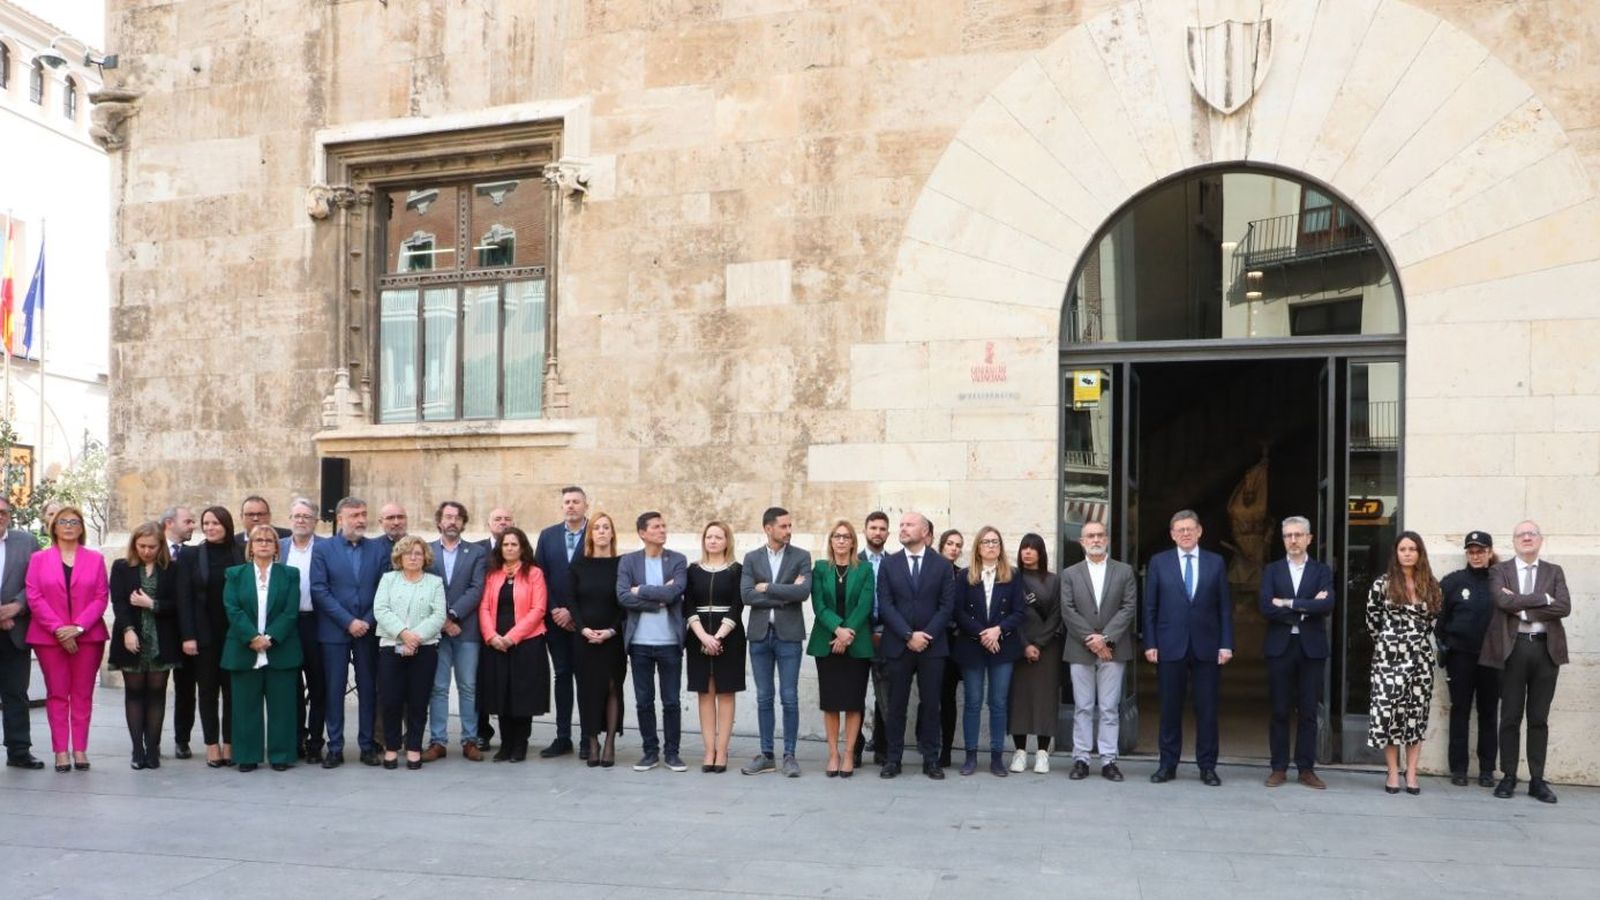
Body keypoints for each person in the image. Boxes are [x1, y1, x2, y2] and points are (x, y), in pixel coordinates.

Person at [1483, 520, 1570, 804]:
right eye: (1522, 534)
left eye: (1532, 534)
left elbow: (1563, 606)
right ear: (1514, 541)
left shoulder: (1554, 571)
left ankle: (1537, 779)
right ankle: (1508, 775)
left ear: (1540, 540)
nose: (1527, 538)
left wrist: (1523, 609)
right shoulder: (1499, 571)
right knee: (1509, 716)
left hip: (1546, 651)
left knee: (1538, 718)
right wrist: (1542, 599)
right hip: (1513, 649)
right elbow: (1501, 601)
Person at [1145, 509, 1233, 786]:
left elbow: (1224, 609)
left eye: (1189, 529)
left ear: (1199, 532)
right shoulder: (1159, 563)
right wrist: (1150, 643)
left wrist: (1226, 644)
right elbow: (1150, 608)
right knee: (1170, 709)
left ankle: (1207, 766)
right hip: (1170, 646)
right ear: (1172, 534)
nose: (1185, 533)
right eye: (1179, 529)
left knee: (1207, 710)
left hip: (1207, 647)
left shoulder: (1216, 562)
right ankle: (1167, 765)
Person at [25, 505, 108, 772]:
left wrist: (79, 628)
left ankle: (80, 749)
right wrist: (60, 629)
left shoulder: (94, 559)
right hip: (49, 638)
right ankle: (61, 751)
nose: (69, 525)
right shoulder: (39, 559)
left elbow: (100, 597)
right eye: (63, 521)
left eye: (74, 521)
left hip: (88, 637)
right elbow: (34, 596)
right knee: (57, 694)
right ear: (54, 527)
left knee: (82, 693)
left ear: (82, 527)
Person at [310, 496, 390, 768]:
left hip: (368, 630)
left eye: (363, 513)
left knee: (369, 688)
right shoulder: (323, 549)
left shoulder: (378, 549)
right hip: (334, 630)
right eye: (354, 515)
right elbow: (319, 589)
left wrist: (365, 620)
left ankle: (367, 745)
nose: (360, 520)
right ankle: (335, 746)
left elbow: (384, 589)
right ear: (340, 519)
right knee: (334, 689)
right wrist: (348, 621)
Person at [876, 511, 957, 780]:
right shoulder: (889, 564)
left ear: (925, 532)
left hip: (932, 648)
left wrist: (926, 635)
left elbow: (947, 607)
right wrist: (909, 635)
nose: (902, 528)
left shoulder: (942, 565)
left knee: (931, 704)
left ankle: (931, 760)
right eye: (901, 525)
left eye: (909, 525)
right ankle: (893, 759)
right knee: (896, 705)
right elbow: (885, 605)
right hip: (899, 645)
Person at [1258, 516, 1335, 789]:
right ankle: (1278, 767)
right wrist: (1306, 607)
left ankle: (1306, 768)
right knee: (1279, 710)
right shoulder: (1272, 570)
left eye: (1298, 535)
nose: (1293, 540)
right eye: (1289, 535)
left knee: (1308, 712)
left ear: (1309, 539)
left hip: (1311, 650)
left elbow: (1327, 606)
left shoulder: (1321, 571)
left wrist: (1288, 603)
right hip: (1280, 648)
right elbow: (1266, 606)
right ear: (1283, 540)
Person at [222, 525, 304, 772]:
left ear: (277, 547)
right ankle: (247, 755)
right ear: (250, 546)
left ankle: (281, 755)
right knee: (245, 706)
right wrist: (252, 637)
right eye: (259, 539)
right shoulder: (235, 574)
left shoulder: (290, 574)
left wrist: (270, 637)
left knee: (283, 706)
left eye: (269, 540)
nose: (264, 543)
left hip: (280, 648)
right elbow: (232, 608)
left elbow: (290, 611)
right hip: (243, 649)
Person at [1059, 521, 1136, 782]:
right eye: (1090, 536)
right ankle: (1081, 758)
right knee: (1082, 706)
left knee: (1109, 708)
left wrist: (1105, 639)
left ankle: (1108, 760)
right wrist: (1092, 640)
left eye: (1100, 535)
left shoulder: (1124, 572)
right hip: (1080, 649)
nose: (1095, 539)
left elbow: (1128, 607)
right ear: (1081, 541)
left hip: (1113, 650)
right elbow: (1068, 610)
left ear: (1107, 539)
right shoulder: (1070, 573)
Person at [740, 507, 812, 778]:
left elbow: (803, 592)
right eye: (784, 526)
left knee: (789, 697)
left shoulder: (801, 556)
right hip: (760, 635)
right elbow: (747, 595)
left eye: (790, 526)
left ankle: (790, 755)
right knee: (763, 697)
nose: (788, 531)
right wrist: (786, 593)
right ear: (768, 528)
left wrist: (768, 587)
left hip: (789, 636)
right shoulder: (751, 558)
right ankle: (767, 755)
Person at [1367, 531, 1440, 795]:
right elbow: (1372, 621)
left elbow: (1432, 621)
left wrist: (1413, 643)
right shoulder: (1382, 585)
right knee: (1390, 716)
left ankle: (1411, 772)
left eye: (1412, 549)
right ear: (1396, 554)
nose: (1407, 553)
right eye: (1402, 549)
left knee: (1415, 717)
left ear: (1420, 553)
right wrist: (1392, 643)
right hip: (1388, 660)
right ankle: (1392, 772)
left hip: (1420, 660)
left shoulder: (1431, 585)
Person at [616, 511, 688, 773]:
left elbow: (675, 591)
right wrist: (658, 598)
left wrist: (642, 590)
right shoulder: (628, 561)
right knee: (644, 701)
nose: (662, 530)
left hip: (670, 642)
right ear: (643, 533)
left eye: (663, 525)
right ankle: (649, 752)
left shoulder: (678, 560)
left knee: (671, 701)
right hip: (640, 643)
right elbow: (623, 596)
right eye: (656, 527)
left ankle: (672, 753)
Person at [952, 527, 1025, 777]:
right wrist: (983, 634)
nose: (991, 546)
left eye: (995, 541)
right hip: (972, 646)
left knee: (998, 703)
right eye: (986, 542)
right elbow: (958, 612)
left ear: (1001, 547)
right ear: (978, 547)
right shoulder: (964, 576)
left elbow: (1019, 612)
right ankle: (970, 756)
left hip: (1002, 647)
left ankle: (996, 758)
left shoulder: (1013, 575)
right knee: (972, 702)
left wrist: (998, 631)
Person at [109, 523, 181, 770]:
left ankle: (153, 749)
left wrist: (152, 604)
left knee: (157, 694)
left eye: (152, 546)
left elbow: (178, 604)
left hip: (162, 639)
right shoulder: (121, 567)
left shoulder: (172, 569)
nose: (147, 551)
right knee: (135, 694)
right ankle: (137, 750)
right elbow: (118, 602)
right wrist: (128, 631)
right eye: (142, 546)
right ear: (134, 545)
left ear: (160, 546)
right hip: (131, 638)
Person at [178, 506, 245, 768]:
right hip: (203, 635)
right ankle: (211, 745)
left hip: (234, 634)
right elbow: (184, 598)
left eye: (215, 523)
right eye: (206, 523)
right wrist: (188, 636)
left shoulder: (240, 553)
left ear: (226, 525)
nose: (210, 528)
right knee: (207, 691)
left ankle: (229, 743)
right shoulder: (191, 554)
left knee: (232, 691)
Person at [477, 527, 550, 762]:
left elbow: (538, 609)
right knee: (501, 694)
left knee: (522, 694)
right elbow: (484, 607)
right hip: (496, 643)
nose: (509, 548)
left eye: (514, 544)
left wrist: (512, 637)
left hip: (526, 642)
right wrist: (491, 636)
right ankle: (505, 744)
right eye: (505, 544)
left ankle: (520, 744)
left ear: (522, 548)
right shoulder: (492, 574)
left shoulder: (534, 573)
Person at [374, 535, 447, 770]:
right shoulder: (388, 579)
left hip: (424, 649)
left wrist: (415, 638)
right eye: (408, 553)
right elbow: (381, 609)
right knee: (391, 699)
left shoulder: (434, 582)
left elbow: (438, 615)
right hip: (390, 647)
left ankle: (414, 747)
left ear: (425, 557)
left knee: (418, 700)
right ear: (399, 557)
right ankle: (392, 748)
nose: (413, 557)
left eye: (418, 553)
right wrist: (403, 633)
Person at [808, 519, 873, 778]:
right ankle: (833, 753)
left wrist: (847, 634)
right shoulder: (821, 568)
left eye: (846, 536)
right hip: (827, 642)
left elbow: (865, 604)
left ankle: (849, 754)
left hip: (857, 644)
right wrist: (837, 629)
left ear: (853, 542)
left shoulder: (865, 569)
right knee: (832, 702)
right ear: (831, 541)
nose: (842, 540)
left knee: (854, 703)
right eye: (837, 536)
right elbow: (819, 604)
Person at [1436, 531, 1500, 788]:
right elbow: (1439, 621)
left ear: (1489, 552)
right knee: (1459, 710)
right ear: (1466, 554)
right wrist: (1446, 645)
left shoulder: (1500, 580)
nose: (1476, 556)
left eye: (1481, 551)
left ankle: (1486, 770)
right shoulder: (1452, 582)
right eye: (1471, 551)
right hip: (1460, 657)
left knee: (1488, 713)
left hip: (1491, 658)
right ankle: (1459, 769)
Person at [425, 501, 488, 762]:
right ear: (439, 521)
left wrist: (452, 615)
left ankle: (470, 740)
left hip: (466, 628)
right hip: (435, 631)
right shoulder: (425, 550)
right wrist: (441, 620)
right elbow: (423, 586)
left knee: (468, 686)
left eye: (457, 517)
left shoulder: (476, 553)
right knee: (438, 687)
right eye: (447, 517)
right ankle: (438, 741)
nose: (452, 521)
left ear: (463, 522)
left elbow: (476, 588)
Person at [532, 487, 588, 759]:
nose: (571, 506)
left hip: (586, 621)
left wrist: (574, 614)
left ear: (585, 505)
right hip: (555, 621)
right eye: (567, 502)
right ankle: (562, 736)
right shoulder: (548, 536)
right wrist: (555, 609)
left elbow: (598, 577)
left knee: (587, 678)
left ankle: (589, 738)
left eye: (576, 502)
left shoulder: (596, 533)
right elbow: (538, 576)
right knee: (562, 675)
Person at [686, 521, 744, 773]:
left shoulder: (737, 570)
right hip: (698, 636)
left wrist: (718, 637)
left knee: (726, 692)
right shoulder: (693, 570)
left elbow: (737, 605)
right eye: (709, 536)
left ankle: (722, 750)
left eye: (718, 537)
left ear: (727, 541)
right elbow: (688, 604)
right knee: (705, 692)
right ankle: (708, 750)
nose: (712, 541)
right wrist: (703, 637)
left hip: (728, 636)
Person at [569, 512, 626, 768]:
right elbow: (571, 600)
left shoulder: (623, 564)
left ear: (612, 533)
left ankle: (611, 742)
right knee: (588, 690)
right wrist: (582, 629)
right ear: (590, 534)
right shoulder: (578, 564)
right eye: (597, 528)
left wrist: (611, 631)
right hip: (584, 639)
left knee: (613, 687)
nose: (602, 532)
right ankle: (592, 742)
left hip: (613, 638)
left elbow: (624, 602)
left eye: (606, 527)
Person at [1009, 533, 1062, 774]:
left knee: (1044, 699)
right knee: (1018, 699)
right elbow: (1009, 614)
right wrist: (1024, 645)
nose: (1027, 552)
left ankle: (1042, 753)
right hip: (1018, 646)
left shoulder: (1054, 581)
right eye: (1024, 548)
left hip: (1047, 649)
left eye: (1032, 548)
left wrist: (1039, 644)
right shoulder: (1011, 578)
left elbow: (1057, 615)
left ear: (1041, 552)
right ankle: (1019, 752)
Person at [279, 498, 326, 763]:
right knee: (291, 685)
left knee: (319, 684)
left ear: (315, 521)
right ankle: (296, 737)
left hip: (317, 622)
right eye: (296, 516)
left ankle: (316, 741)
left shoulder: (326, 547)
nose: (300, 520)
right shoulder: (280, 547)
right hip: (287, 625)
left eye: (306, 516)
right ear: (290, 519)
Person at [0, 496, 42, 769]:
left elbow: (39, 580)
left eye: (3, 511)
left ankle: (19, 751)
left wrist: (17, 605)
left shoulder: (26, 542)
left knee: (16, 693)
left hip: (15, 631)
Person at [473, 506, 515, 751]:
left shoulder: (521, 550)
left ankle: (511, 734)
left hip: (511, 628)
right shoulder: (476, 550)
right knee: (481, 680)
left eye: (507, 518)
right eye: (497, 519)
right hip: (481, 625)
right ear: (488, 523)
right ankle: (482, 731)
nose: (502, 522)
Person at [160, 505, 198, 759]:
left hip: (187, 630)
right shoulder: (150, 547)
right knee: (154, 688)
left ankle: (181, 740)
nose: (193, 526)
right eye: (188, 521)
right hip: (159, 629)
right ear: (169, 523)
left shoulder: (194, 554)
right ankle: (149, 738)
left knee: (186, 689)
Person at [859, 510, 891, 767]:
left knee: (885, 695)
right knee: (855, 693)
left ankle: (882, 748)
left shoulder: (895, 562)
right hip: (859, 633)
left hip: (888, 634)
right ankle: (856, 748)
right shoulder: (854, 560)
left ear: (887, 533)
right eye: (873, 528)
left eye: (882, 529)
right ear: (865, 531)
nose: (877, 533)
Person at [933, 529, 965, 768]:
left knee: (949, 698)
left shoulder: (961, 575)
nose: (954, 548)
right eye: (950, 544)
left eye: (958, 545)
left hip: (955, 645)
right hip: (933, 641)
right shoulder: (930, 571)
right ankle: (929, 745)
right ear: (941, 545)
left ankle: (946, 749)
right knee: (930, 697)